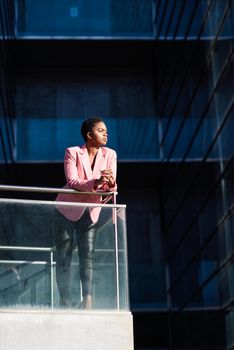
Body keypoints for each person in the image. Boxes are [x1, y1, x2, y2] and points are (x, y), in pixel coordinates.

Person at [54, 117, 117, 309]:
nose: (106, 133)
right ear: (89, 135)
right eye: (101, 130)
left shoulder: (110, 154)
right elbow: (72, 181)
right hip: (66, 211)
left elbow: (111, 188)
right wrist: (96, 183)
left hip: (91, 212)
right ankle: (64, 300)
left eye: (106, 130)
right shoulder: (72, 152)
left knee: (87, 256)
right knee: (64, 257)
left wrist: (110, 183)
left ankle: (87, 299)